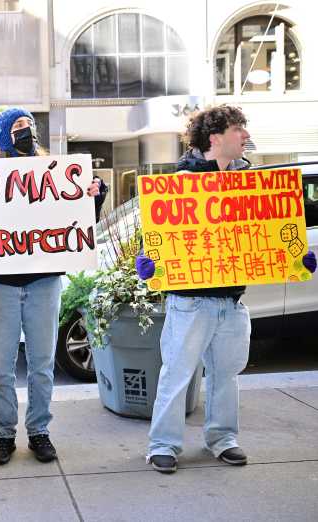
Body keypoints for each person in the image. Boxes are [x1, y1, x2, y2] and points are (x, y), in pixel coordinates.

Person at [136, 105, 317, 474]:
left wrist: (295, 256)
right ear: (215, 137)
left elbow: (265, 234)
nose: (246, 136)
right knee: (177, 374)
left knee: (227, 375)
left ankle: (222, 439)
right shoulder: (181, 181)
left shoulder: (249, 183)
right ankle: (163, 445)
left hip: (232, 300)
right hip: (190, 301)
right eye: (239, 129)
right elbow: (160, 234)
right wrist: (149, 259)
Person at [0, 107, 103, 465]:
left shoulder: (56, 176)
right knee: (0, 367)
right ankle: (3, 434)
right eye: (17, 127)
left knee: (42, 363)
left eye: (29, 125)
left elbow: (76, 219)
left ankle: (39, 431)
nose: (26, 130)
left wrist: (93, 194)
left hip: (44, 283)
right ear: (3, 136)